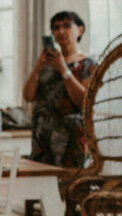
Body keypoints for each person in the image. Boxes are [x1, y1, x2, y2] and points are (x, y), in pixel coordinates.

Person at [23, 10, 96, 168]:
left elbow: (85, 101)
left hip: (70, 140)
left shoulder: (88, 64)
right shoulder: (48, 63)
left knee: (70, 187)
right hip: (42, 137)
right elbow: (28, 96)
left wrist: (64, 69)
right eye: (56, 28)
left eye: (67, 25)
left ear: (80, 30)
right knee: (41, 186)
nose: (61, 31)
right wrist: (37, 68)